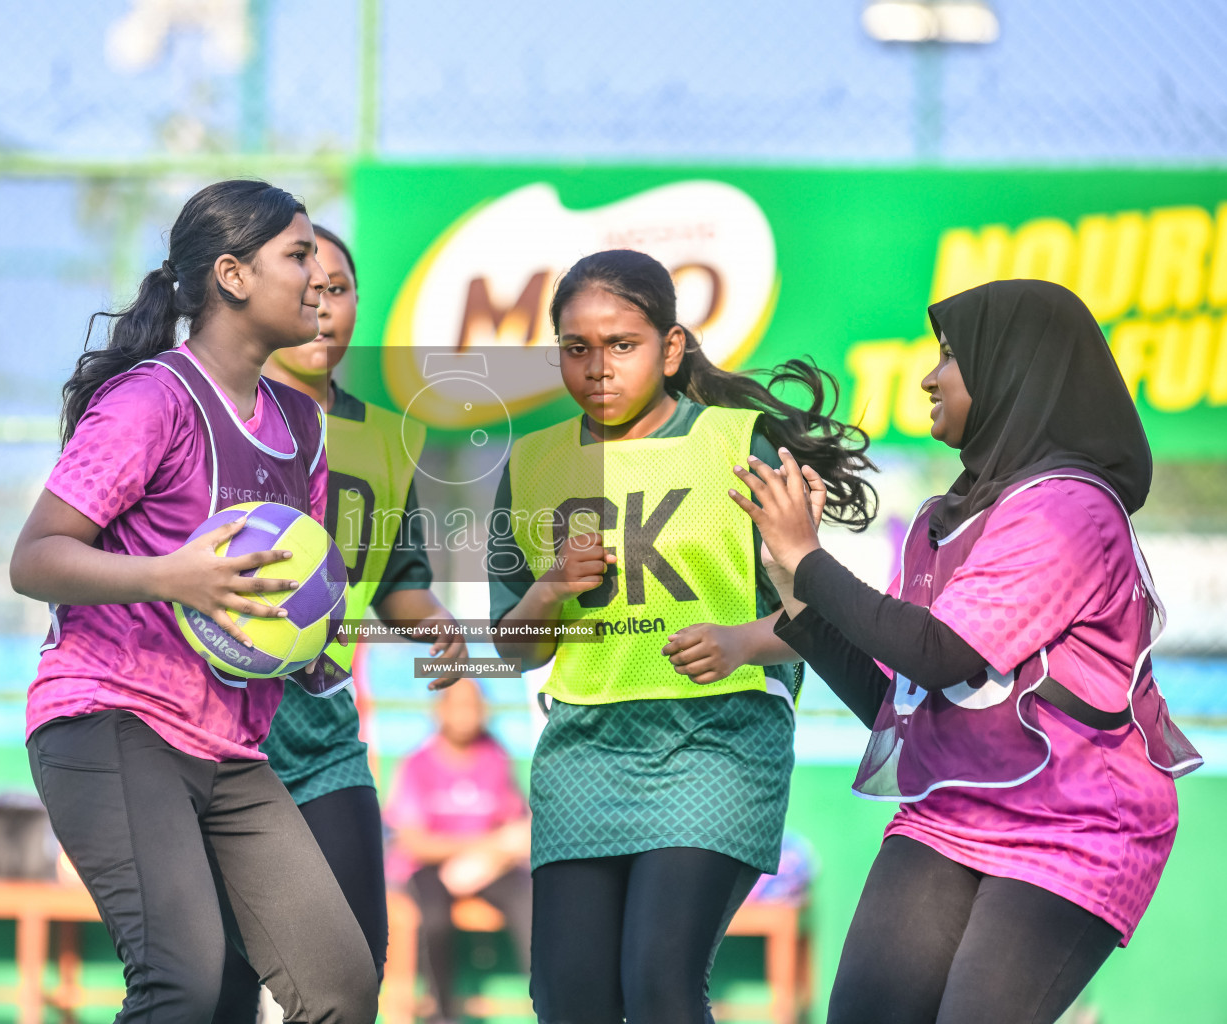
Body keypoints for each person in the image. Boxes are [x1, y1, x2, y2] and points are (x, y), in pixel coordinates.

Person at [733, 278, 1202, 1024]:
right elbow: (895, 700)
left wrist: (811, 558)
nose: (929, 375)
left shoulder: (1070, 510)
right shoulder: (939, 521)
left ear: (1011, 369)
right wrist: (792, 583)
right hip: (952, 809)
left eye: (950, 356)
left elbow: (942, 654)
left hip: (1073, 827)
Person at [9, 180, 378, 1024]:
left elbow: (287, 589)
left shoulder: (300, 426)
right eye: (298, 255)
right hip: (112, 720)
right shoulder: (152, 401)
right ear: (232, 276)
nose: (319, 278)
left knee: (340, 986)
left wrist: (310, 632)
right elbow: (34, 559)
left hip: (231, 748)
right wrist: (169, 575)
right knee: (184, 981)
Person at [488, 249, 876, 1024]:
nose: (598, 366)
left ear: (670, 349)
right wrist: (552, 587)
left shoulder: (743, 445)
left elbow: (821, 616)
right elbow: (514, 649)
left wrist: (742, 640)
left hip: (717, 742)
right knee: (568, 1000)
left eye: (622, 345)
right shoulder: (531, 463)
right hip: (584, 750)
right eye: (575, 348)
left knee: (660, 985)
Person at [213, 224, 467, 1021]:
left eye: (339, 290)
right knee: (215, 984)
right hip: (217, 737)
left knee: (354, 973)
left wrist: (436, 625)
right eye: (306, 286)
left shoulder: (392, 438)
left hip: (323, 740)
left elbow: (398, 582)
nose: (321, 306)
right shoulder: (214, 414)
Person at [385, 679, 532, 1024]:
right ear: (440, 710)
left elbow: (517, 833)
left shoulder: (497, 758)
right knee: (433, 918)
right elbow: (414, 842)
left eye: (474, 705)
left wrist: (485, 859)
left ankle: (549, 1004)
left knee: (534, 901)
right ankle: (442, 1015)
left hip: (490, 868)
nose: (467, 714)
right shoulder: (417, 764)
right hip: (428, 869)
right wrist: (478, 850)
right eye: (458, 704)